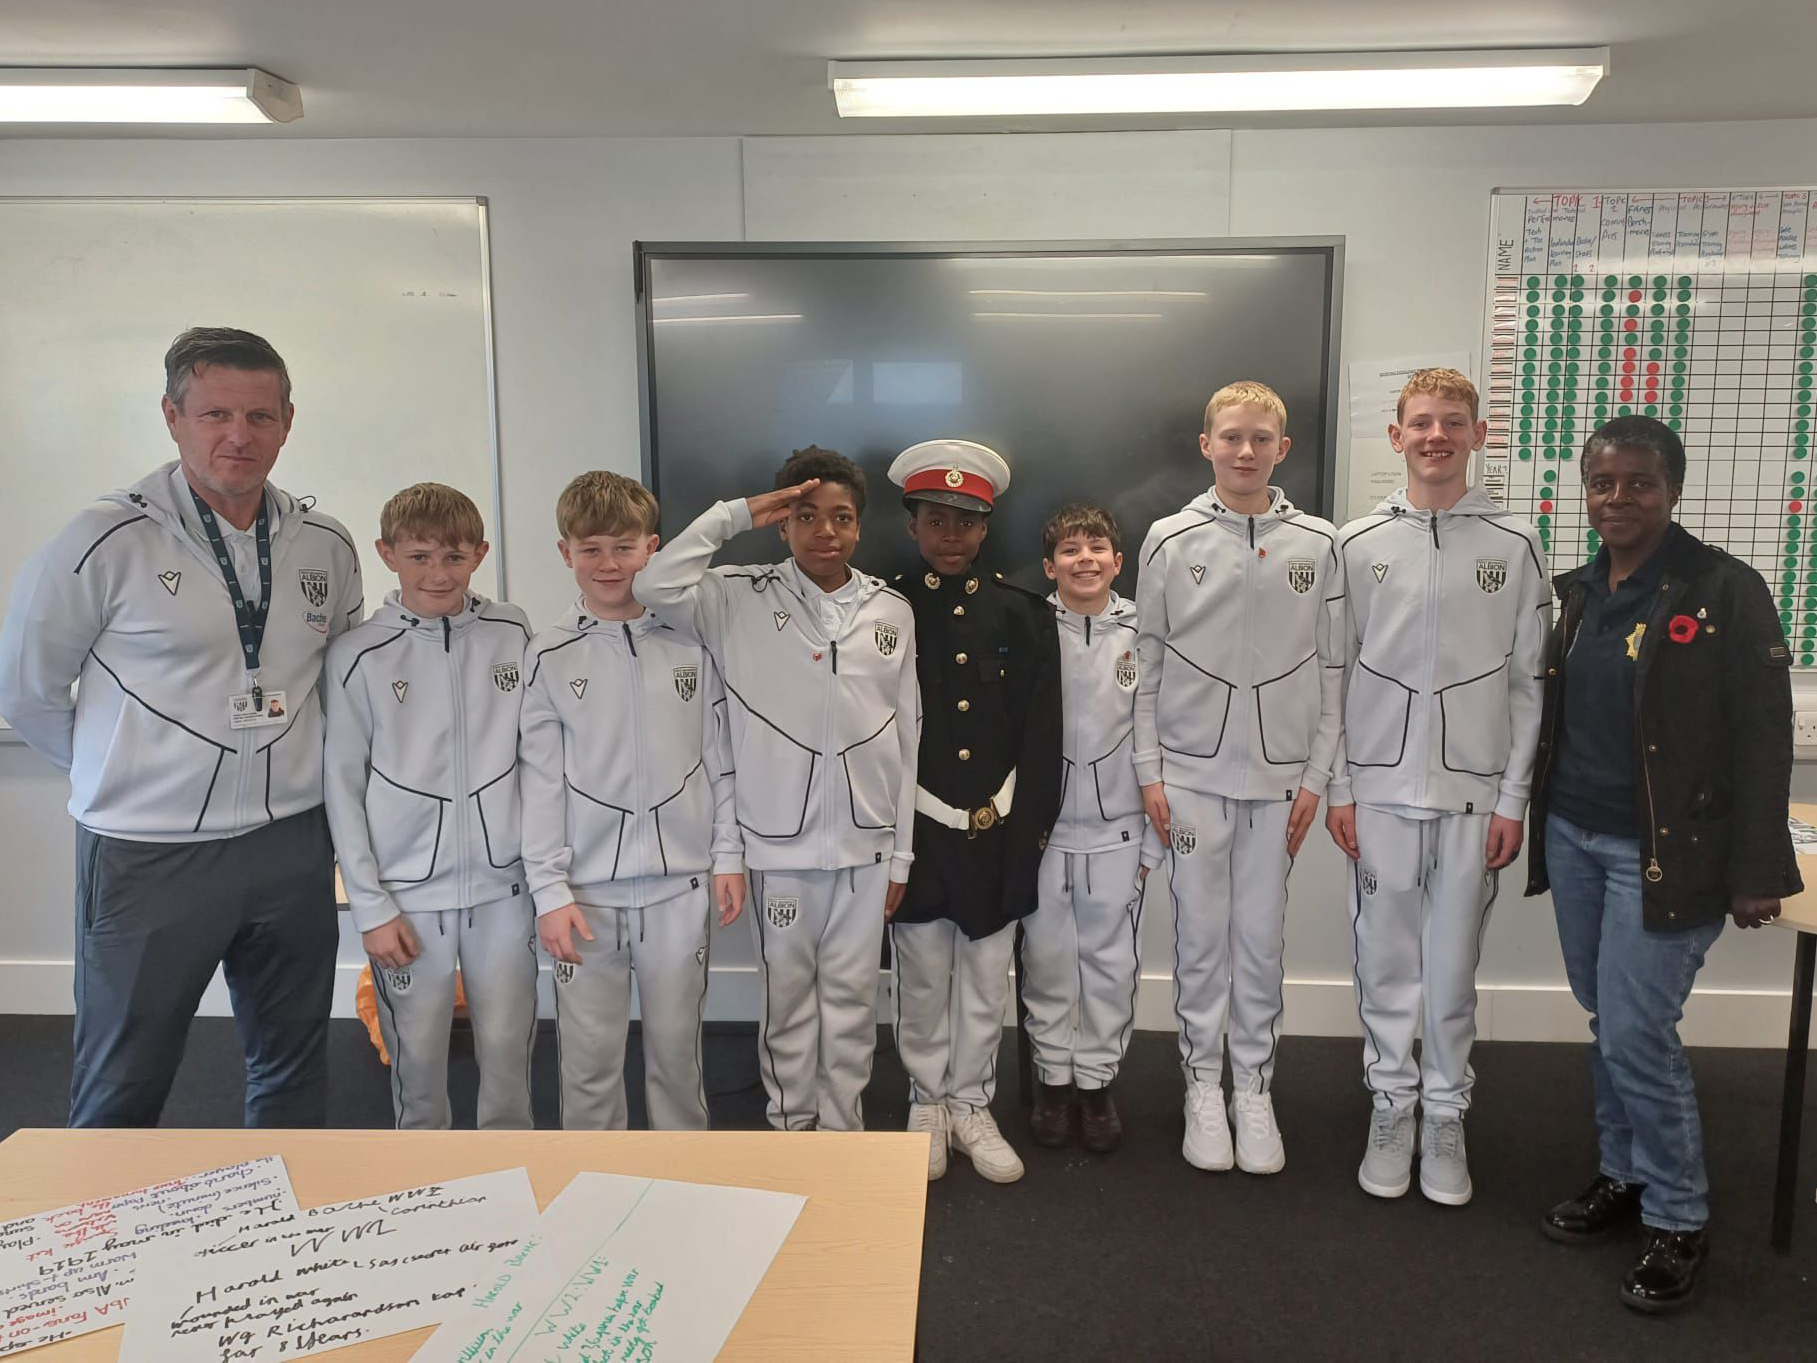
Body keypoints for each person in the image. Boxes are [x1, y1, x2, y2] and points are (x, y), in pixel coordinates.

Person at [0, 326, 363, 1127]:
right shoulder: (102, 540)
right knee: (123, 1082)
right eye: (215, 414)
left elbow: (340, 686)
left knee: (292, 1069)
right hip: (149, 851)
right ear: (172, 416)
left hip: (292, 843)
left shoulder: (326, 545)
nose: (239, 435)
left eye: (260, 416)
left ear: (288, 421)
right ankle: (100, 1214)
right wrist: (125, 773)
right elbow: (25, 692)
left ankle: (285, 1206)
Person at [1526, 415, 1799, 1313]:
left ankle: (1678, 1216)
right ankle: (1624, 1173)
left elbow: (1764, 736)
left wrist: (1756, 867)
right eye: (1601, 482)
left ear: (1671, 490)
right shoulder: (1578, 590)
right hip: (1573, 836)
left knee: (1637, 1032)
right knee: (1608, 1018)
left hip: (1666, 852)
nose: (1617, 498)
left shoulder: (1723, 588)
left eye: (1638, 482)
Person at [636, 448, 919, 1135]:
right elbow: (653, 585)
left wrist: (901, 854)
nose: (826, 531)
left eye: (841, 517)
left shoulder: (891, 609)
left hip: (866, 845)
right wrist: (736, 515)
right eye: (806, 516)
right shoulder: (735, 595)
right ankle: (793, 1126)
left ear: (859, 526)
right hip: (777, 845)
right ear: (782, 524)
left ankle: (843, 1126)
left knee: (852, 999)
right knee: (787, 998)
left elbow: (908, 734)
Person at [1325, 366, 1550, 1205]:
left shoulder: (1515, 544)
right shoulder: (1355, 543)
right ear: (1396, 435)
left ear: (1477, 434)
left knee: (1451, 972)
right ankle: (1391, 1102)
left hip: (1472, 797)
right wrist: (1340, 786)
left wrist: (1512, 798)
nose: (1436, 436)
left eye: (1452, 421)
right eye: (1420, 421)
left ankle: (1446, 1112)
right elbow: (1333, 673)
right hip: (1378, 791)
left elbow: (1528, 685)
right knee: (1385, 964)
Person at [1133, 380, 1344, 1175]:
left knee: (1258, 940)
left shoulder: (1318, 543)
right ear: (1206, 445)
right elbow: (1145, 664)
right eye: (1231, 436)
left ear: (1282, 449)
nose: (1245, 450)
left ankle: (1252, 1086)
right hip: (1189, 777)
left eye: (1260, 438)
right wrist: (1149, 771)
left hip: (1279, 782)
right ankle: (1201, 1082)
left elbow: (1333, 670)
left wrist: (1315, 778)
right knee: (1198, 937)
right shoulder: (1167, 537)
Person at [519, 472, 743, 1131]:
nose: (609, 564)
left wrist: (727, 854)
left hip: (680, 889)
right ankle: (595, 1174)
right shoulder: (548, 654)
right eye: (590, 549)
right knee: (588, 1063)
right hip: (585, 896)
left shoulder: (693, 643)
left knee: (677, 1056)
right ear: (565, 553)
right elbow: (539, 783)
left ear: (652, 547)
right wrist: (549, 891)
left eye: (623, 547)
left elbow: (721, 759)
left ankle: (681, 1174)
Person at [323, 482, 536, 1130]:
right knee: (417, 1070)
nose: (438, 574)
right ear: (387, 554)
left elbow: (539, 757)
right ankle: (427, 1178)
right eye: (419, 557)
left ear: (480, 554)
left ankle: (511, 1166)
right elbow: (342, 788)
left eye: (454, 556)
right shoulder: (356, 654)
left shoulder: (512, 630)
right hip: (407, 897)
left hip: (504, 891)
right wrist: (371, 907)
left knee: (509, 1060)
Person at [887, 439, 1062, 1184]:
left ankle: (971, 1102)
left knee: (989, 976)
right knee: (922, 974)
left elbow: (1042, 733)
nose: (950, 535)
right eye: (935, 520)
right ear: (912, 526)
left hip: (996, 828)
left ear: (985, 528)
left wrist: (1029, 833)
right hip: (919, 830)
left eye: (965, 521)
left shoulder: (1022, 613)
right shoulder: (886, 608)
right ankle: (926, 1099)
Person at [1021, 502, 1163, 1154]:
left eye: (1096, 547)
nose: (1085, 559)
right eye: (1070, 550)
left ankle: (1097, 1080)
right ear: (1050, 566)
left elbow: (1162, 730)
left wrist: (1154, 838)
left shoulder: (1146, 630)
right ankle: (1053, 1080)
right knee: (1047, 958)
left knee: (1110, 962)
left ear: (1118, 560)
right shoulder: (1029, 627)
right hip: (1044, 832)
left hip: (1119, 831)